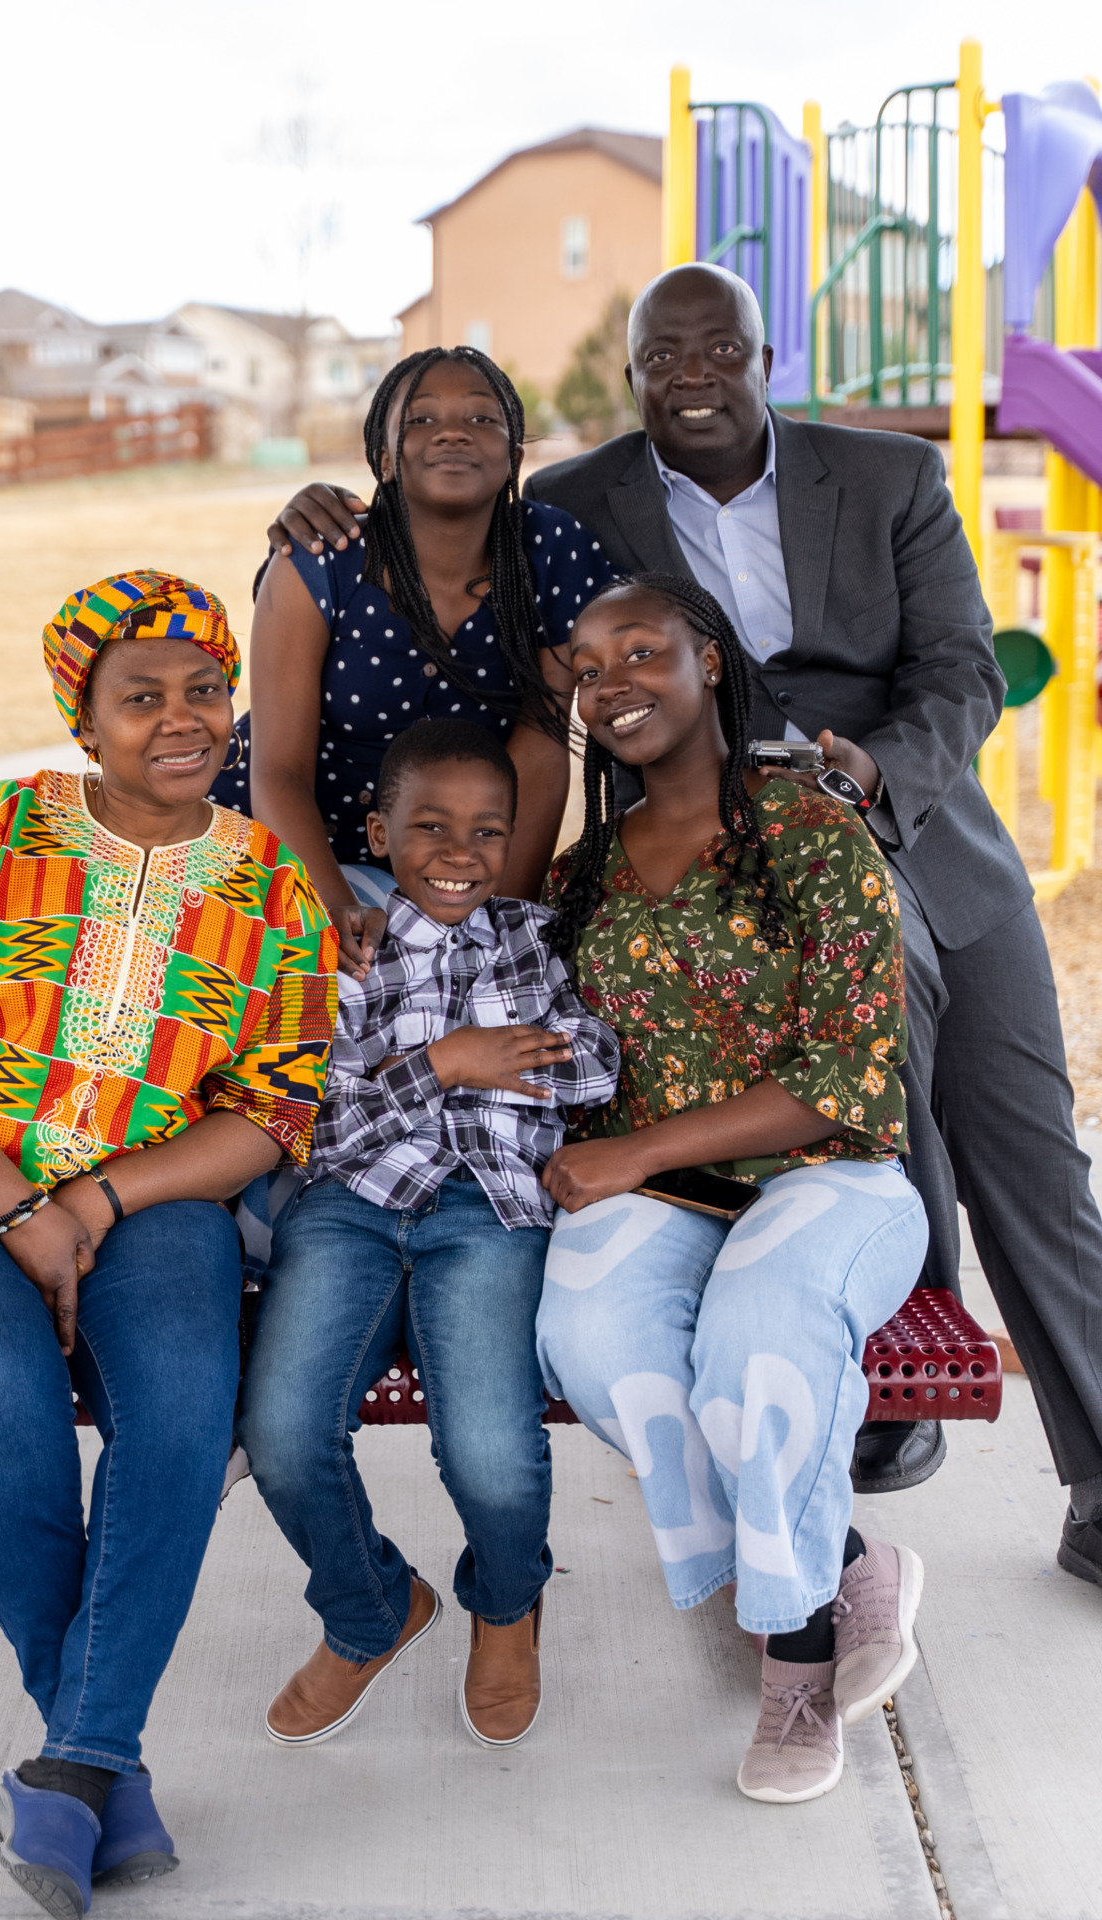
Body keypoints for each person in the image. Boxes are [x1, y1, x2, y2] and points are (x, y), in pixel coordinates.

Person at [265, 262, 1102, 1580]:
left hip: (916, 820)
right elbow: (441, 528)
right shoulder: (577, 505)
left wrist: (878, 772)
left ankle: (1100, 1471)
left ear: (767, 358)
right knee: (877, 1078)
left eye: (721, 352)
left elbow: (962, 668)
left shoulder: (886, 481)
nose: (694, 379)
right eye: (666, 359)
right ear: (634, 377)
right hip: (718, 847)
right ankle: (887, 1373)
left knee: (1029, 1147)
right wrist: (320, 509)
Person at [0, 571, 337, 1918]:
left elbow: (274, 1111)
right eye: (140, 696)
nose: (182, 718)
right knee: (0, 1402)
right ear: (82, 717)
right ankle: (98, 1755)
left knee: (177, 1408)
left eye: (204, 689)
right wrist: (17, 1207)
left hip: (152, 1200)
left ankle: (74, 1767)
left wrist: (93, 1206)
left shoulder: (274, 885)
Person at [535, 574, 928, 1803]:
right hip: (667, 1192)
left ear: (708, 657)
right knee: (594, 1339)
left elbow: (845, 1071)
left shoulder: (810, 826)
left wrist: (633, 1155)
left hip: (831, 1176)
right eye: (591, 671)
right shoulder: (580, 874)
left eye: (643, 652)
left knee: (760, 1347)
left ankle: (798, 1662)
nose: (615, 686)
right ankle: (841, 1557)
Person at [239, 719, 620, 1749]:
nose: (461, 854)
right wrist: (448, 1061)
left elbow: (591, 1066)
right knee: (280, 1433)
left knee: (492, 1455)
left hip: (490, 1213)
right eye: (432, 828)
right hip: (350, 1208)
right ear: (379, 829)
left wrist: (503, 1059)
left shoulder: (538, 940)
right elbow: (315, 1122)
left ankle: (506, 1605)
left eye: (487, 832)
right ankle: (372, 1608)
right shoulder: (343, 954)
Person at [211, 345, 615, 978]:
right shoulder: (318, 557)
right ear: (383, 458)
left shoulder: (551, 550)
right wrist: (337, 915)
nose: (453, 431)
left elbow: (539, 753)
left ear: (515, 457)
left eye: (482, 419)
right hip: (288, 843)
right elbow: (279, 770)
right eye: (421, 420)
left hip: (445, 857)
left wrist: (497, 927)